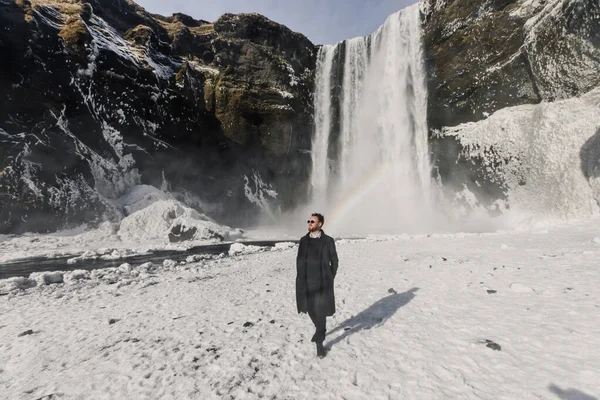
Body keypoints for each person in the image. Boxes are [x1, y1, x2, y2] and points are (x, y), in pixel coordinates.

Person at [296, 213, 339, 358]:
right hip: (306, 282)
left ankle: (319, 344)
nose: (309, 223)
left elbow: (335, 261)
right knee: (309, 309)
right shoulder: (303, 241)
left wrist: (329, 277)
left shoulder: (328, 241)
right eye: (308, 221)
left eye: (312, 221)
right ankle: (321, 328)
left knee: (320, 311)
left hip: (322, 283)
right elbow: (299, 260)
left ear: (320, 224)